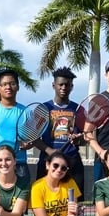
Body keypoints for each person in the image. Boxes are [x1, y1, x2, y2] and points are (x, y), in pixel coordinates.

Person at [32, 67, 86, 201]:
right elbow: (33, 138)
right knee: (45, 201)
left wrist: (79, 140)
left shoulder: (79, 110)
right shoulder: (43, 109)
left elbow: (85, 139)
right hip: (48, 161)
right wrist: (50, 151)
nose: (63, 87)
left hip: (72, 162)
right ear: (53, 85)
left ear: (71, 87)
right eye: (60, 84)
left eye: (67, 85)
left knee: (74, 203)